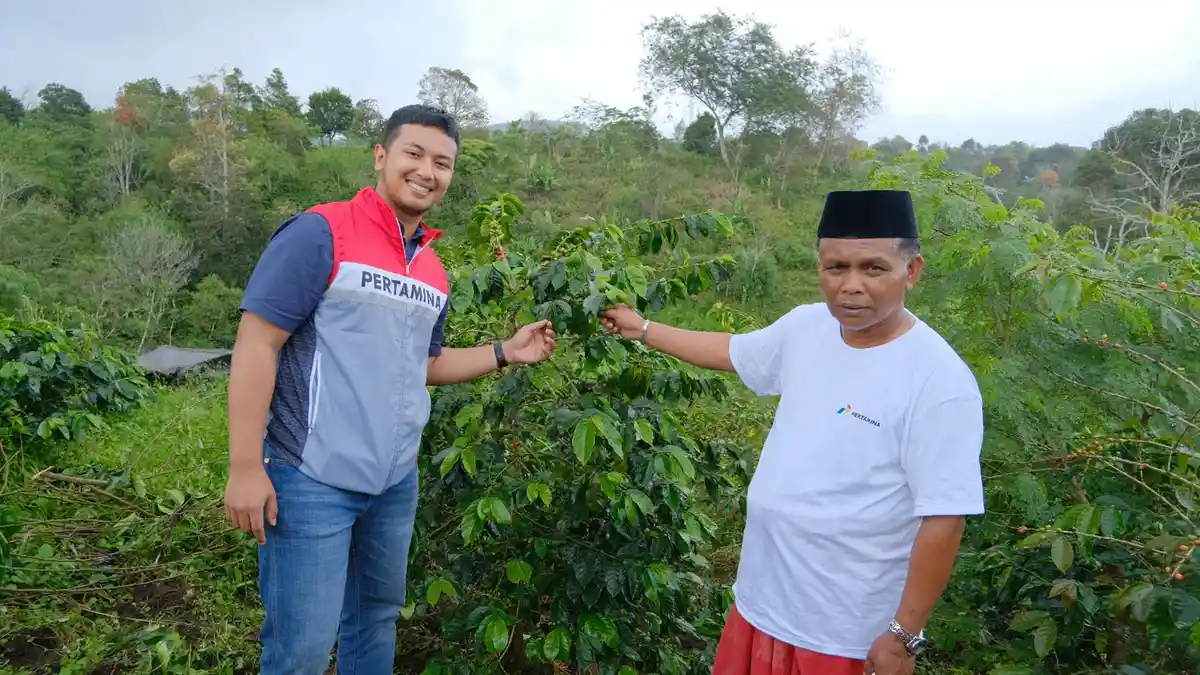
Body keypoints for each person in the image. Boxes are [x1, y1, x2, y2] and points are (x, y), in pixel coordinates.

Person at [222, 104, 557, 675]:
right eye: (414, 153)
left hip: (394, 480)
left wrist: (505, 351)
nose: (428, 171)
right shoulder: (321, 233)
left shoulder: (432, 270)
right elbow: (257, 345)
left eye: (443, 162)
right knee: (301, 648)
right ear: (382, 156)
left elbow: (422, 364)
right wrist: (245, 467)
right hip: (310, 477)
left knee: (375, 621)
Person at [600, 189, 985, 675]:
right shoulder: (807, 328)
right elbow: (732, 351)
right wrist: (644, 329)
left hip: (842, 633)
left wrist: (903, 638)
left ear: (911, 271)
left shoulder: (938, 380)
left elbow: (944, 519)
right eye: (835, 267)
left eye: (873, 269)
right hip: (762, 605)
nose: (850, 286)